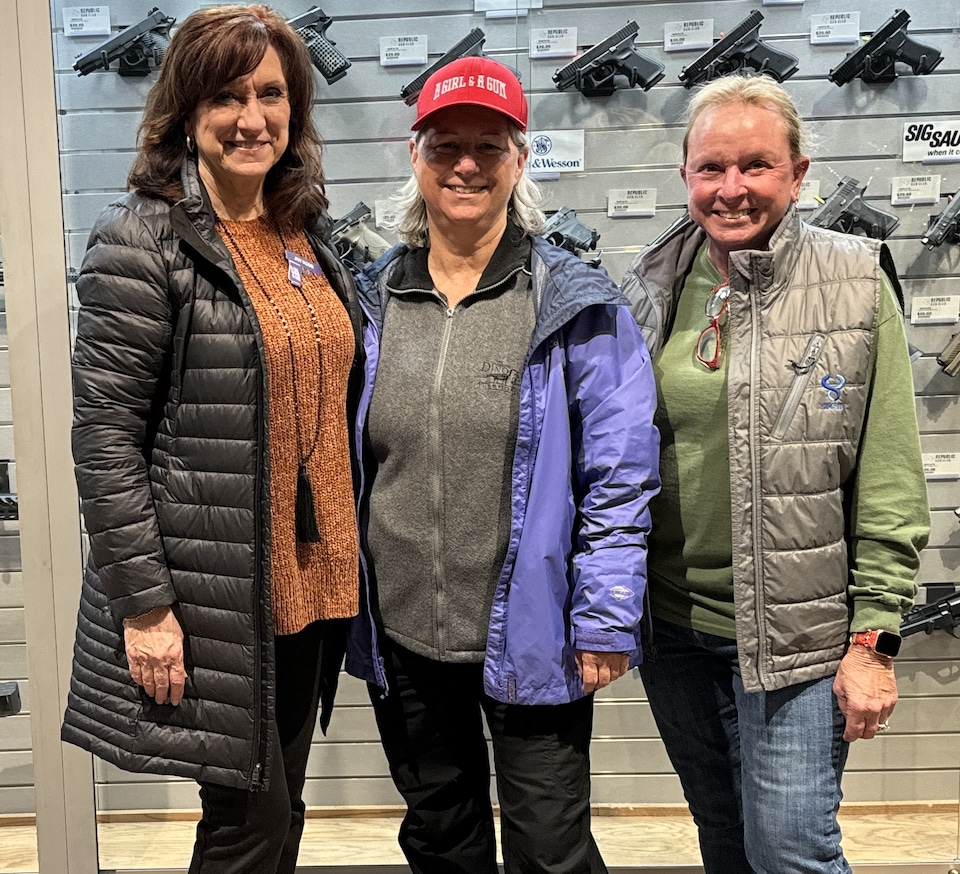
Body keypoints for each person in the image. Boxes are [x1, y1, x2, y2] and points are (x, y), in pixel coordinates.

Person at [60, 7, 363, 873]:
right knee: (247, 826)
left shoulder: (302, 234)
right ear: (185, 112)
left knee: (280, 815)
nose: (252, 117)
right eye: (227, 95)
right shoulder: (142, 242)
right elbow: (106, 438)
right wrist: (148, 608)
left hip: (307, 577)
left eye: (271, 94)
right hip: (213, 592)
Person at [345, 55, 660, 874]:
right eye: (446, 145)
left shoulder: (575, 304)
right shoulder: (372, 301)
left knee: (550, 849)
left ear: (520, 161)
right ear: (415, 157)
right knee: (441, 836)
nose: (466, 166)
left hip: (536, 635)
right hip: (405, 633)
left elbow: (620, 476)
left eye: (489, 146)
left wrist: (605, 614)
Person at [621, 73, 930, 874]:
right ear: (685, 175)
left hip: (799, 637)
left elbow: (889, 472)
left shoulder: (855, 280)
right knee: (723, 836)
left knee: (792, 851)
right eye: (710, 168)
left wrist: (875, 641)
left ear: (797, 172)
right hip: (674, 629)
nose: (731, 190)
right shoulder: (652, 284)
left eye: (756, 166)